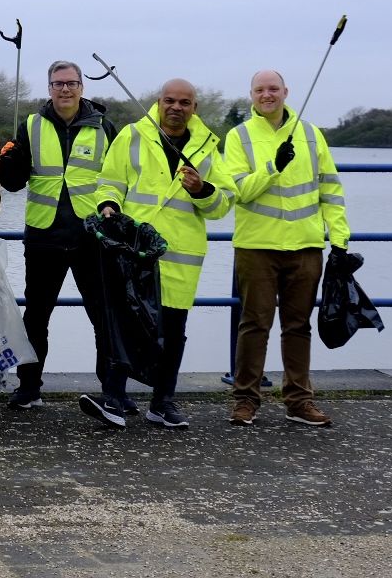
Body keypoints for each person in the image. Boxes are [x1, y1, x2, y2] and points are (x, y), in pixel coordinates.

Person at [93, 80, 234, 428]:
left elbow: (224, 204)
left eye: (185, 102)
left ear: (194, 108)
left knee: (172, 331)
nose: (176, 107)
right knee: (124, 326)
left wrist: (203, 189)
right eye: (170, 100)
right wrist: (109, 205)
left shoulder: (208, 148)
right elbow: (109, 181)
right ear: (158, 102)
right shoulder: (132, 135)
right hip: (135, 252)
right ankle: (113, 400)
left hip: (180, 254)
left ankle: (163, 403)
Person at [220, 70, 350, 428]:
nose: (267, 95)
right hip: (256, 245)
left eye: (273, 89)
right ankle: (245, 400)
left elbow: (331, 190)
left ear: (285, 92)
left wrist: (339, 240)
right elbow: (239, 190)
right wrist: (272, 167)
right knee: (254, 324)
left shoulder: (311, 135)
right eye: (260, 90)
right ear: (251, 94)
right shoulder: (239, 136)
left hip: (306, 245)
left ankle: (298, 401)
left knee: (298, 326)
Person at [0, 60, 120, 411]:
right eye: (57, 84)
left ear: (82, 87)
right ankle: (29, 388)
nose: (64, 89)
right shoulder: (31, 125)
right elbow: (13, 183)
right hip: (43, 236)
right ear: (49, 88)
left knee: (103, 317)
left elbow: (117, 180)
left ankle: (111, 391)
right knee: (36, 317)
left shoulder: (104, 127)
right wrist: (10, 161)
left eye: (71, 83)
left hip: (91, 237)